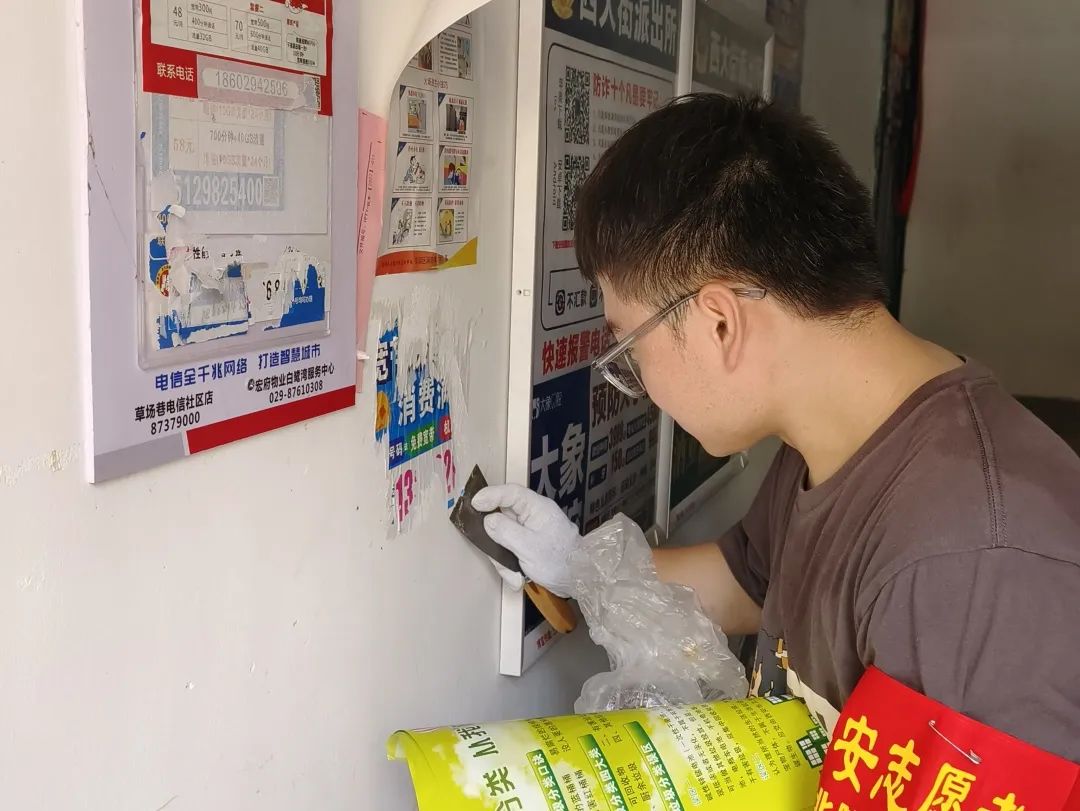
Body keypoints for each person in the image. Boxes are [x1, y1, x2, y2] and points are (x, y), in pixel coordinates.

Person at [473, 94, 1080, 761]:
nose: (639, 385)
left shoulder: (974, 562)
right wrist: (581, 569)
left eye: (630, 350)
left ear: (720, 323)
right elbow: (749, 584)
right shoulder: (827, 435)